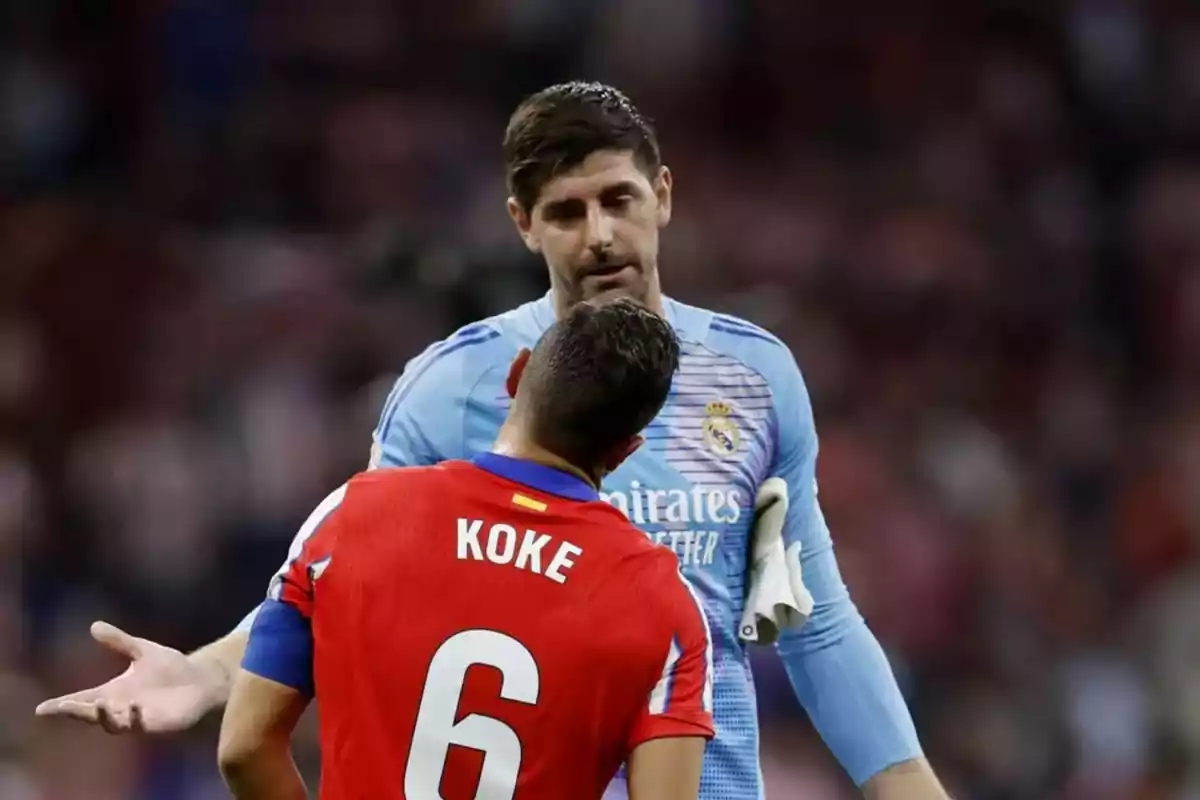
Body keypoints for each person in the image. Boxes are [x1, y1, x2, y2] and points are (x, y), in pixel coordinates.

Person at [38, 81, 948, 799]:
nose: (599, 236)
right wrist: (203, 673)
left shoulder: (755, 377)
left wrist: (905, 782)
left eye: (619, 200)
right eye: (565, 211)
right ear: (522, 224)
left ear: (662, 197)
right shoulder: (452, 387)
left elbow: (809, 618)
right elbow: (346, 582)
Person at [218, 298, 713, 800]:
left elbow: (243, 747)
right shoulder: (662, 605)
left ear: (516, 375)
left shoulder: (353, 516)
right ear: (627, 448)